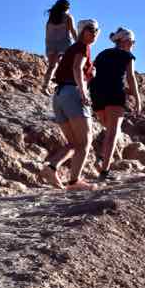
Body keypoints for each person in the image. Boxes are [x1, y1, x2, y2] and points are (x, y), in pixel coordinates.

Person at [44, 18, 99, 190]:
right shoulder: (83, 47)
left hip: (59, 95)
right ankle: (74, 182)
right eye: (91, 29)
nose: (95, 32)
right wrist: (83, 92)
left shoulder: (72, 49)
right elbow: (77, 69)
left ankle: (51, 167)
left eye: (98, 29)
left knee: (74, 143)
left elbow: (74, 68)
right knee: (85, 141)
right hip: (72, 93)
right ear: (82, 30)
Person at [90, 27, 143, 182]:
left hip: (97, 93)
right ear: (125, 41)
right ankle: (104, 170)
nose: (133, 45)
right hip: (114, 93)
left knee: (108, 128)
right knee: (113, 132)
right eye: (133, 42)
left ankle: (101, 157)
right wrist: (138, 99)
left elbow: (93, 72)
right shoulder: (127, 55)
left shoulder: (102, 54)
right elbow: (131, 77)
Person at [41, 0, 78, 92]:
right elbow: (73, 31)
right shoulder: (68, 17)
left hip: (50, 44)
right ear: (67, 8)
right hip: (64, 43)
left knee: (52, 66)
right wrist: (79, 43)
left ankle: (45, 87)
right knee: (69, 65)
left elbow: (47, 32)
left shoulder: (51, 18)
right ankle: (65, 85)